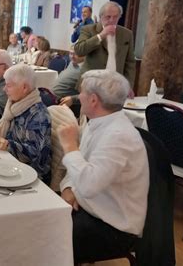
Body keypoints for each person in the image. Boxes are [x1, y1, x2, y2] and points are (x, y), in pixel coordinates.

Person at [58, 69, 149, 264]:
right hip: (90, 208)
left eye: (81, 92)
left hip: (114, 226)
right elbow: (80, 167)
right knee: (39, 222)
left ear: (93, 100)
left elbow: (89, 185)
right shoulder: (98, 123)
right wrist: (67, 188)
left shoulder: (118, 135)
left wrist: (69, 146)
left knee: (48, 239)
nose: (78, 97)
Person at [74, 1, 136, 89]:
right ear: (101, 16)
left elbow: (130, 63)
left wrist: (128, 86)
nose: (111, 20)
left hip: (115, 84)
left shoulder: (127, 34)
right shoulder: (89, 29)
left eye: (115, 17)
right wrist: (100, 36)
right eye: (108, 17)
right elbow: (79, 50)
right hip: (91, 83)